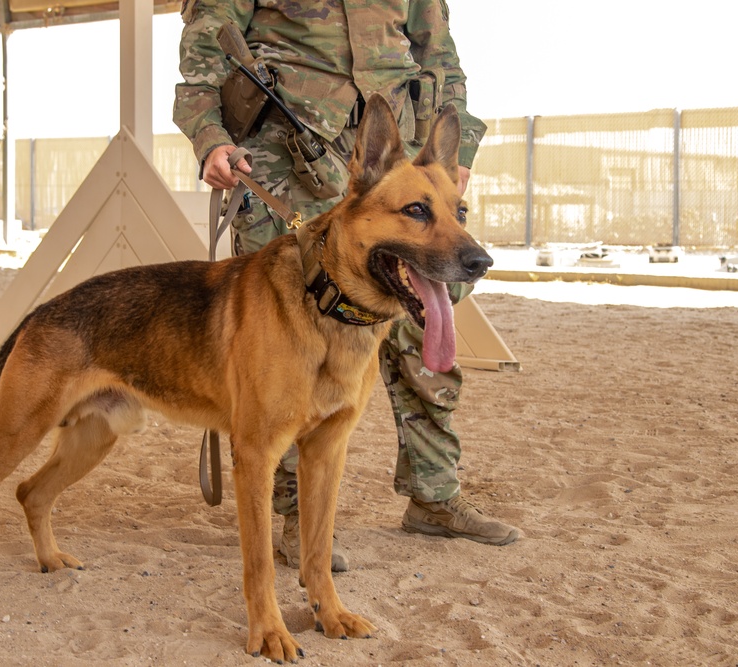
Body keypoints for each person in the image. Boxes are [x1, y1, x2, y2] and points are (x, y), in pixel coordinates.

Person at [173, 0, 521, 571]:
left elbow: (439, 54)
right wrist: (210, 137)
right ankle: (294, 517)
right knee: (282, 349)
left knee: (425, 322)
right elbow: (208, 43)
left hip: (398, 164)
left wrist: (455, 154)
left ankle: (433, 494)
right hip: (285, 158)